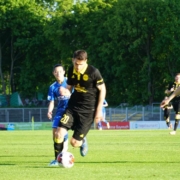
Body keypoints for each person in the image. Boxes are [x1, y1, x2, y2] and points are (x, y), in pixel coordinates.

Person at [56, 49, 106, 157]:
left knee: (74, 143)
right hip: (72, 107)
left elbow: (103, 89)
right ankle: (57, 159)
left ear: (86, 61)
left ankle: (82, 141)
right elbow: (69, 87)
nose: (78, 67)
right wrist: (65, 91)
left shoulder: (93, 72)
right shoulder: (70, 70)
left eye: (81, 64)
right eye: (76, 64)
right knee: (59, 132)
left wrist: (99, 112)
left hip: (88, 111)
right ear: (73, 60)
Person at [47, 64, 71, 166]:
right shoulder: (52, 87)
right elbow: (52, 102)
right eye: (56, 72)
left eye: (60, 71)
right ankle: (58, 157)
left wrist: (67, 93)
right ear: (53, 73)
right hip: (59, 111)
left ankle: (58, 159)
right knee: (54, 133)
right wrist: (49, 111)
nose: (58, 73)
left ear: (64, 72)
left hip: (70, 111)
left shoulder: (70, 82)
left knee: (59, 133)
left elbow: (77, 95)